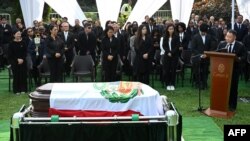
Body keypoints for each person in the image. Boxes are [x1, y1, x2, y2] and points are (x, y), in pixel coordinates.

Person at [217, 30, 246, 111]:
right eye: (227, 36)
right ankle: (221, 103)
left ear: (234, 37)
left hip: (234, 70)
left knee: (233, 88)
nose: (227, 38)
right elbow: (217, 54)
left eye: (230, 37)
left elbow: (244, 57)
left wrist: (239, 59)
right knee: (222, 87)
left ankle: (232, 105)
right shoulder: (221, 44)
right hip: (222, 70)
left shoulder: (240, 46)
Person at [191, 23, 216, 89]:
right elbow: (193, 48)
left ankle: (204, 83)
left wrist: (207, 54)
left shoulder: (209, 37)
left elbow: (211, 47)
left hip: (206, 57)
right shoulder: (195, 37)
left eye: (205, 32)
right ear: (200, 30)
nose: (204, 33)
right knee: (197, 71)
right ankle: (198, 83)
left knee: (205, 71)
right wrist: (200, 55)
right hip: (198, 57)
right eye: (202, 32)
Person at [8, 30, 27, 94]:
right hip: (14, 62)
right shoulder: (11, 44)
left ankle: (23, 89)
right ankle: (17, 90)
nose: (19, 35)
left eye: (19, 34)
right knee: (16, 75)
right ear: (14, 35)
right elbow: (10, 54)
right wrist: (17, 59)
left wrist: (22, 59)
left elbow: (25, 52)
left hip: (23, 61)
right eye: (17, 34)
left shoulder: (23, 43)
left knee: (23, 75)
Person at [162, 24, 180, 91]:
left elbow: (177, 46)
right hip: (167, 56)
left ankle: (172, 84)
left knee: (173, 70)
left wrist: (172, 52)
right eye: (169, 29)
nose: (171, 30)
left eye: (172, 29)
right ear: (167, 29)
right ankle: (167, 84)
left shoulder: (176, 37)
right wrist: (168, 52)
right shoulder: (165, 37)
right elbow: (164, 46)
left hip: (174, 56)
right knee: (167, 70)